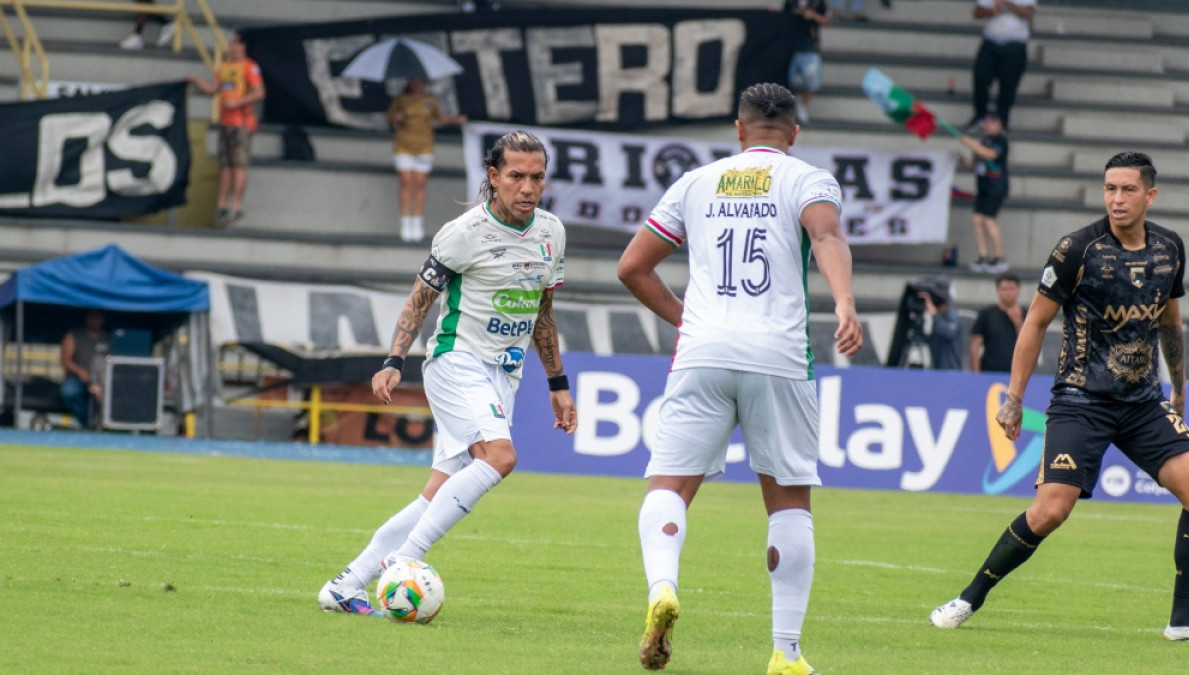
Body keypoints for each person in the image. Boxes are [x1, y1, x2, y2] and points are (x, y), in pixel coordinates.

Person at [617, 82, 862, 674]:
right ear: (794, 133)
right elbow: (826, 234)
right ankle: (785, 652)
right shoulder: (807, 179)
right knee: (788, 504)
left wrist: (688, 320)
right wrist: (846, 303)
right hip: (777, 355)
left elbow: (632, 267)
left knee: (668, 487)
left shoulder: (697, 182)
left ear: (739, 128)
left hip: (702, 352)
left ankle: (662, 588)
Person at [930, 152, 1189, 644]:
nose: (1116, 199)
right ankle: (970, 597)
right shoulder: (1076, 249)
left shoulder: (1169, 248)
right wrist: (1013, 398)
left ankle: (1182, 622)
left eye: (1127, 190)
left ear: (1150, 195)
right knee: (1050, 512)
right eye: (1109, 189)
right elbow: (1034, 323)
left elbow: (1171, 322)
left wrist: (1179, 387)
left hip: (1143, 403)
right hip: (1081, 401)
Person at [317, 130, 577, 616]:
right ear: (493, 177)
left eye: (537, 177)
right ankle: (406, 561)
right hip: (457, 362)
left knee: (436, 494)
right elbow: (421, 298)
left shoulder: (551, 233)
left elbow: (543, 312)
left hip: (505, 372)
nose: (527, 187)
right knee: (500, 457)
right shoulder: (464, 233)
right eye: (516, 176)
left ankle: (344, 586)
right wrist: (394, 360)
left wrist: (558, 384)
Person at [185, 30, 264, 228]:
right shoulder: (224, 67)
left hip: (241, 123)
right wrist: (196, 81)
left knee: (238, 165)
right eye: (232, 43)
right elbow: (213, 89)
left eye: (237, 43)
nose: (233, 46)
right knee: (226, 166)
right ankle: (221, 205)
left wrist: (238, 102)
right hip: (226, 123)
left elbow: (259, 93)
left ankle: (235, 205)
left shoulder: (249, 67)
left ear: (244, 46)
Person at [388, 77, 468, 242]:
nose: (418, 84)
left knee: (419, 183)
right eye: (415, 81)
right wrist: (396, 117)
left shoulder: (429, 99)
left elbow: (440, 118)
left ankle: (417, 220)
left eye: (421, 81)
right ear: (409, 83)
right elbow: (389, 118)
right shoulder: (400, 100)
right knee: (406, 181)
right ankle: (405, 220)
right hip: (404, 145)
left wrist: (455, 120)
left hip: (424, 146)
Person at [968, 0, 1035, 130]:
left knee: (1008, 84)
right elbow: (977, 12)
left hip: (1015, 44)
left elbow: (1028, 13)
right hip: (990, 42)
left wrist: (1007, 4)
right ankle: (980, 115)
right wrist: (991, 11)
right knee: (981, 77)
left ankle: (1002, 121)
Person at [960, 111, 1010, 272]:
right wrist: (963, 160)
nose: (989, 125)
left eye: (992, 122)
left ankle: (999, 257)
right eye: (987, 122)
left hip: (996, 186)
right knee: (977, 219)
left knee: (988, 219)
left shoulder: (1000, 140)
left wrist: (970, 143)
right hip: (983, 186)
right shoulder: (984, 141)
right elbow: (977, 164)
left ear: (999, 124)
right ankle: (983, 256)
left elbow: (990, 154)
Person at [781, 0, 831, 125]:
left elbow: (827, 21)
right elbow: (781, 19)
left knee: (811, 82)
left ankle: (802, 106)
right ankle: (787, 108)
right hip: (790, 48)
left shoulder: (819, 3)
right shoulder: (790, 2)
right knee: (784, 81)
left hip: (809, 48)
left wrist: (813, 15)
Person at [60, 309, 111, 429]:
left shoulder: (109, 338)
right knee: (69, 391)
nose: (95, 320)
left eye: (98, 317)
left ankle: (105, 423)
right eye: (92, 316)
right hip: (79, 379)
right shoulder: (74, 335)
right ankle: (87, 421)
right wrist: (80, 372)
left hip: (102, 381)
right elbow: (65, 360)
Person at [970, 272, 1023, 373]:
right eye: (1004, 289)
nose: (1008, 293)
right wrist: (975, 374)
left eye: (1011, 289)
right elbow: (975, 344)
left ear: (1018, 290)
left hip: (1016, 372)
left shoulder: (1026, 314)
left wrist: (1018, 322)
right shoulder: (986, 314)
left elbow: (1030, 343)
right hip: (989, 371)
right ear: (998, 291)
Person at [920, 286, 962, 370]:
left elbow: (949, 332)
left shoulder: (951, 314)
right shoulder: (938, 319)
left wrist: (935, 314)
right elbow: (930, 340)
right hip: (937, 368)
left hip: (950, 369)